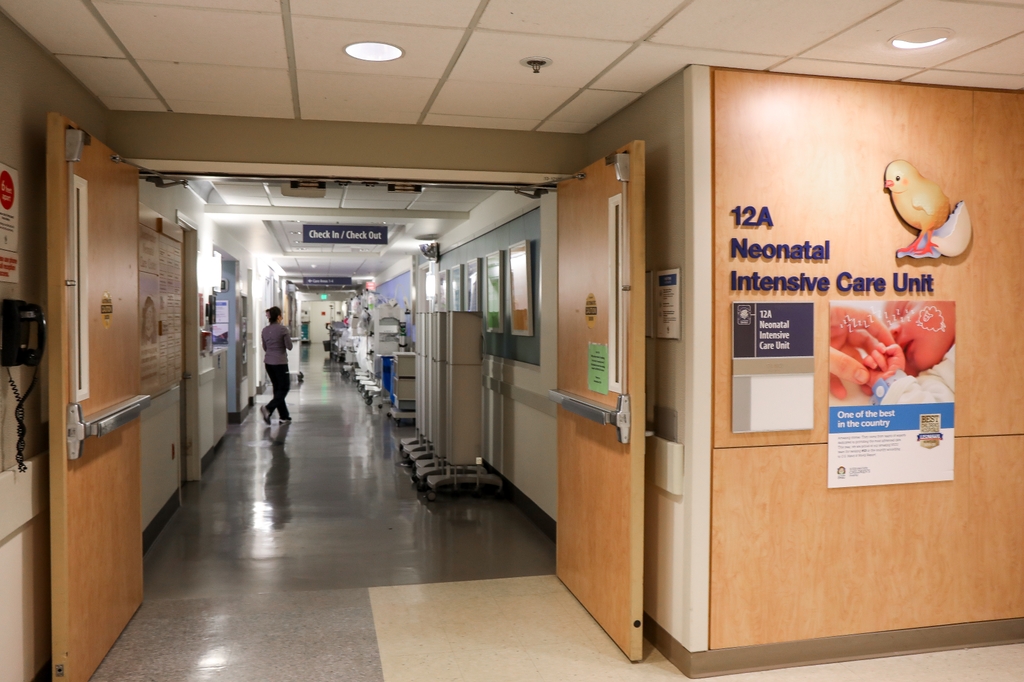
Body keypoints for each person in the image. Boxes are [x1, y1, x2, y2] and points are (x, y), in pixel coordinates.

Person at [261, 306, 293, 424]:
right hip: (280, 362)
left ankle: (284, 416)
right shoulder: (283, 330)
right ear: (279, 316)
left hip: (268, 362)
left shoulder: (264, 330)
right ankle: (268, 408)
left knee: (277, 388)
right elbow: (289, 346)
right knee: (284, 387)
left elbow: (265, 347)